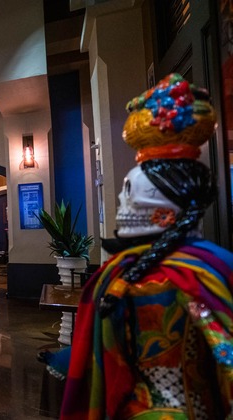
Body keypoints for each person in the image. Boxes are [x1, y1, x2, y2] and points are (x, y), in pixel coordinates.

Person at [41, 74, 233, 419]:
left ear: (162, 212)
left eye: (129, 192)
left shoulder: (148, 280)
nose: (118, 199)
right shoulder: (215, 266)